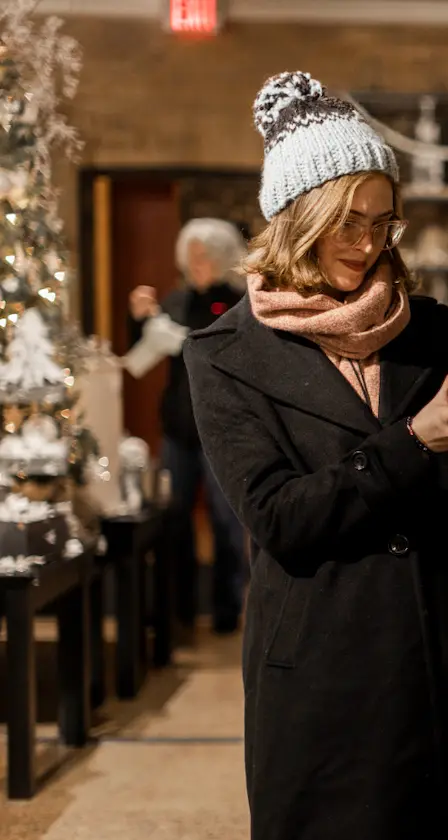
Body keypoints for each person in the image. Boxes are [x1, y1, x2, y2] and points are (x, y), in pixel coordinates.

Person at [182, 72, 448, 840]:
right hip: (330, 665)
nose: (367, 242)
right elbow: (282, 519)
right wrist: (410, 441)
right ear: (299, 218)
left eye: (381, 220)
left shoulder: (427, 327)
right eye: (347, 222)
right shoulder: (223, 356)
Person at [128, 218, 249, 635]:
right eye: (192, 256)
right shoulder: (176, 301)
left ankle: (226, 610)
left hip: (221, 431)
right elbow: (143, 349)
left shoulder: (238, 302)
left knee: (226, 522)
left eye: (206, 255)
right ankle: (176, 608)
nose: (198, 263)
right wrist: (140, 318)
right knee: (173, 520)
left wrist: (185, 340)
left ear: (222, 257)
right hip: (177, 431)